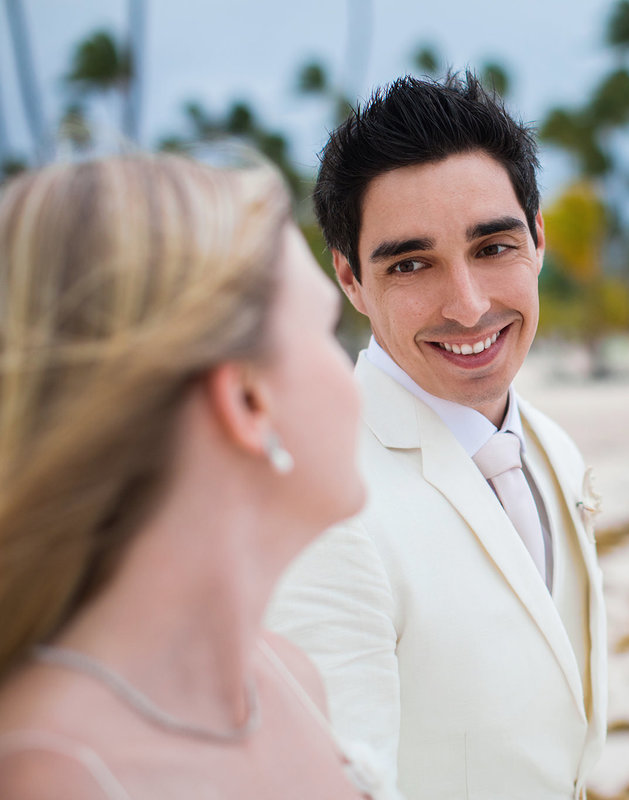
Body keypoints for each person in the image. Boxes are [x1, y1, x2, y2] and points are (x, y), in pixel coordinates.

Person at [0, 154, 394, 799]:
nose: (353, 374)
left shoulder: (287, 682)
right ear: (246, 399)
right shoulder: (51, 774)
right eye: (330, 331)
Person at [266, 72, 607, 799]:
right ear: (351, 280)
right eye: (412, 264)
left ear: (539, 238)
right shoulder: (323, 508)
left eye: (492, 248)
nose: (469, 305)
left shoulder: (552, 445)